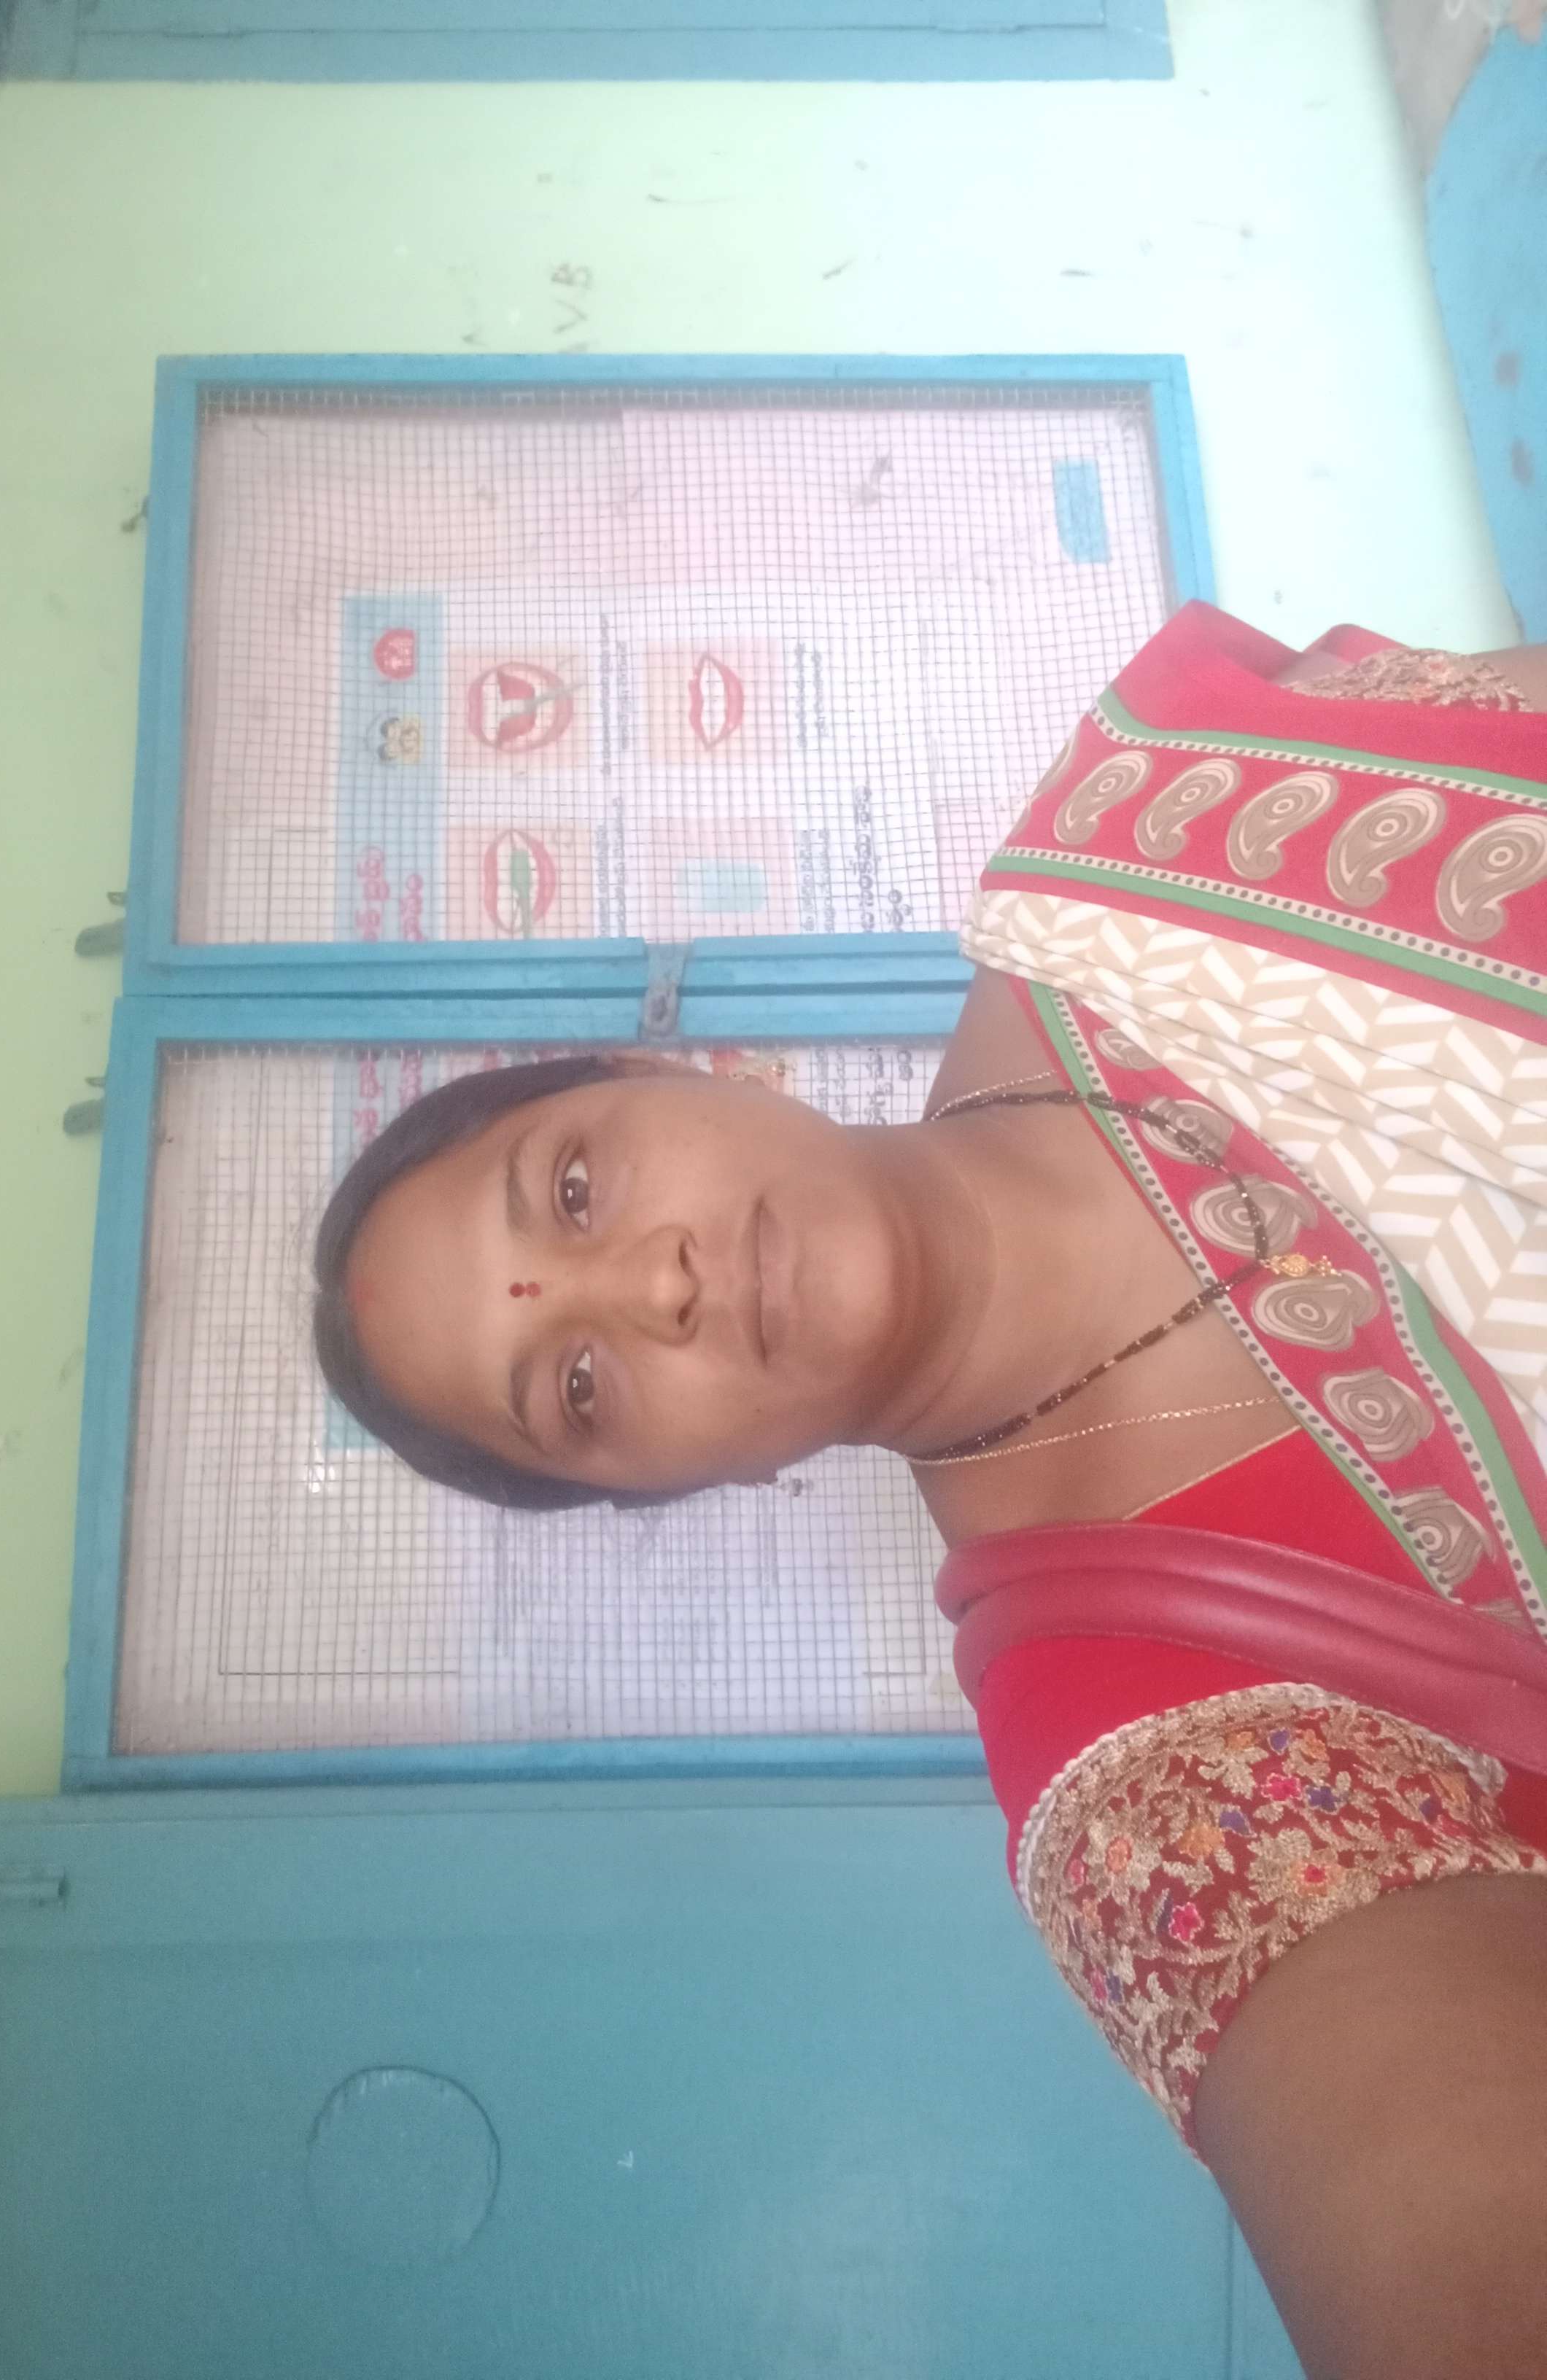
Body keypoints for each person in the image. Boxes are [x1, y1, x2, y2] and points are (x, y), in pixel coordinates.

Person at [314, 604, 1547, 2379]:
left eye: (575, 1189)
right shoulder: (1143, 1758)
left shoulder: (1159, 832)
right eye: (577, 1389)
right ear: (671, 1487)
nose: (652, 1286)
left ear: (677, 1068)